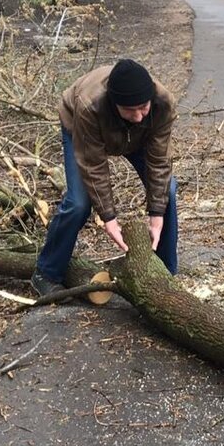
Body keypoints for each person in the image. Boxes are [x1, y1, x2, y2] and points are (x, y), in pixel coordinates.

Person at [31, 59, 178, 295]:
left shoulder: (163, 103)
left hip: (137, 138)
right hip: (81, 130)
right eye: (131, 110)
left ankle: (166, 273)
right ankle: (46, 271)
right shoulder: (89, 105)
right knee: (79, 204)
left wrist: (157, 215)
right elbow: (94, 165)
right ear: (115, 104)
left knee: (167, 190)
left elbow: (159, 161)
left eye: (143, 107)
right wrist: (109, 218)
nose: (140, 116)